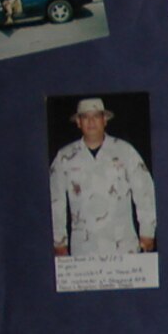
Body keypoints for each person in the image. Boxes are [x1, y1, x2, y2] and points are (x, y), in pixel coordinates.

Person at [50, 97, 156, 257]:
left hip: (123, 247)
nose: (91, 122)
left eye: (96, 116)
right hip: (84, 249)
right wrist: (59, 240)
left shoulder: (125, 152)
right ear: (78, 122)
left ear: (104, 120)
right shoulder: (64, 157)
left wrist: (147, 231)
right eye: (85, 117)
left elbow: (145, 192)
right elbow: (55, 200)